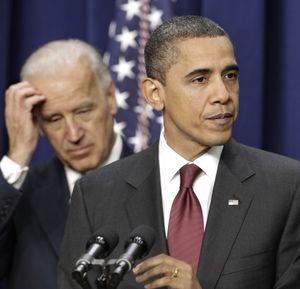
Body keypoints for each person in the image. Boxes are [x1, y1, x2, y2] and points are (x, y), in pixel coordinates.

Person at [58, 16, 300, 289]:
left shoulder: (287, 187)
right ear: (154, 94)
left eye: (230, 75)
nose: (223, 94)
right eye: (200, 79)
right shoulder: (95, 195)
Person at [0, 39, 133, 289]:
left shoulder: (161, 180)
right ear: (36, 122)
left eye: (83, 111)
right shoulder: (20, 194)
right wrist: (16, 157)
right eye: (54, 119)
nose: (73, 134)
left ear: (111, 98)